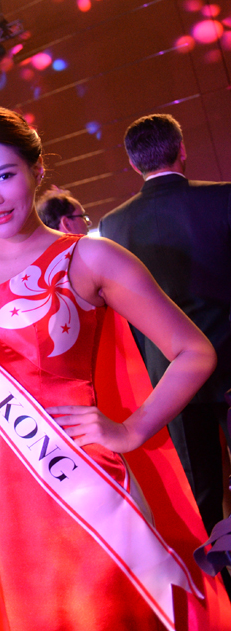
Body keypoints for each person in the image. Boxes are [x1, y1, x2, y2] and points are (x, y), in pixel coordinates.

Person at [0, 106, 228, 628]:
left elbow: (194, 351)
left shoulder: (90, 258)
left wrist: (132, 429)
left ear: (37, 169)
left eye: (4, 176)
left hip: (83, 483)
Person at [99, 113, 231, 545]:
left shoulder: (113, 225)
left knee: (199, 490)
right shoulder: (223, 198)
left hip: (168, 374)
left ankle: (214, 575)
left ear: (133, 163)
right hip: (229, 358)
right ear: (182, 149)